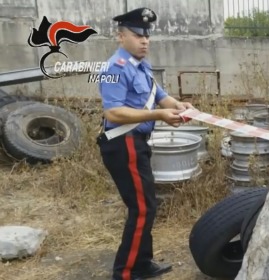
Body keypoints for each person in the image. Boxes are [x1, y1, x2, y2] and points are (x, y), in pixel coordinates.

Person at [96, 7, 195, 280]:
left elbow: (158, 95)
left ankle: (143, 263)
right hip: (123, 143)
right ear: (121, 37)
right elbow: (113, 113)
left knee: (145, 205)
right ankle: (126, 272)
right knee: (142, 207)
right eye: (137, 35)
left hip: (137, 142)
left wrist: (178, 105)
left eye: (147, 36)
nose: (144, 41)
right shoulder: (113, 69)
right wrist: (159, 115)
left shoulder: (142, 66)